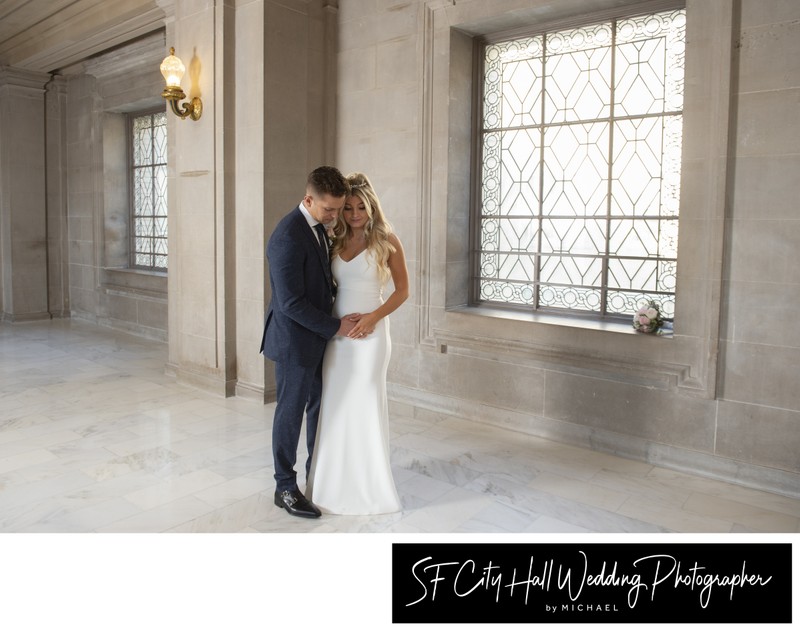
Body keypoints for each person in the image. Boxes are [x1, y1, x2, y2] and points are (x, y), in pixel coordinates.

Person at [307, 172, 409, 514]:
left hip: (372, 337)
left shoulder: (387, 240)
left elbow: (403, 291)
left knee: (363, 404)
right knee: (336, 406)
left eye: (360, 207)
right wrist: (334, 325)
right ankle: (331, 485)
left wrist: (372, 318)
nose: (353, 214)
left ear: (371, 207)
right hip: (338, 337)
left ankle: (370, 487)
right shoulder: (332, 240)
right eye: (348, 207)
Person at [260, 166, 359, 519]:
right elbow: (290, 303)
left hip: (317, 339)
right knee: (290, 413)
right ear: (308, 199)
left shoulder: (318, 227)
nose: (336, 216)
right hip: (293, 343)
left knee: (320, 407)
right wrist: (336, 327)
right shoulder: (287, 235)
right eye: (329, 209)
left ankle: (317, 476)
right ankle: (284, 487)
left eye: (339, 208)